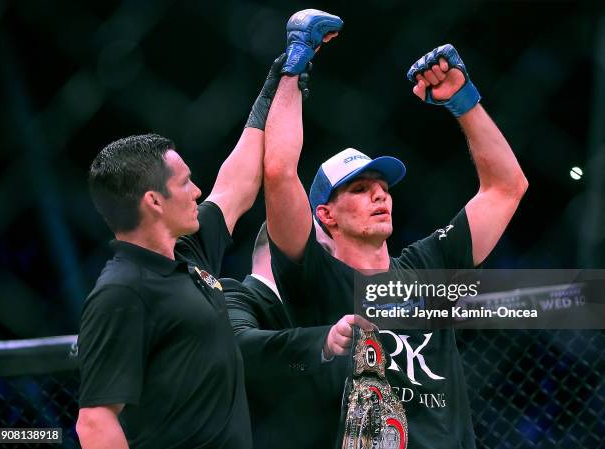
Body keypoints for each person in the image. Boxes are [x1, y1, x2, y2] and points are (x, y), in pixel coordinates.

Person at [263, 10, 528, 449]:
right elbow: (277, 171)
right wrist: (295, 65)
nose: (380, 196)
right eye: (361, 189)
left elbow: (507, 187)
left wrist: (463, 101)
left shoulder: (428, 265)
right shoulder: (313, 275)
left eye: (383, 188)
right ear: (326, 215)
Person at [76, 54, 298, 449]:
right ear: (154, 202)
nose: (198, 191)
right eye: (185, 183)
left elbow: (237, 186)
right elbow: (95, 424)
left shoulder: (186, 256)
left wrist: (276, 87)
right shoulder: (122, 291)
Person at [223, 222, 373, 449]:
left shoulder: (327, 318)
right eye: (323, 257)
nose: (332, 271)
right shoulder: (236, 294)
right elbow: (240, 346)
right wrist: (323, 341)